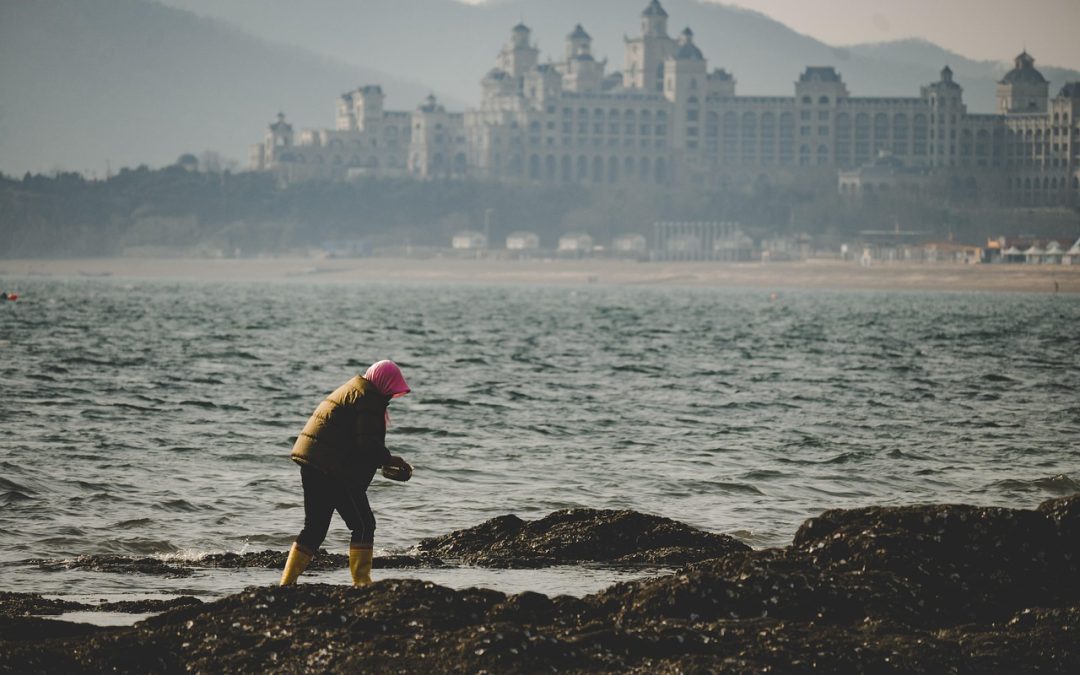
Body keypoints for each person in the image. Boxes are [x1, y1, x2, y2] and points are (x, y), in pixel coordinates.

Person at [280, 360, 412, 587]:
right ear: (383, 384)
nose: (390, 397)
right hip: (332, 469)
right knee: (363, 525)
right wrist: (389, 459)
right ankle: (362, 583)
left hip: (313, 464)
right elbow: (367, 444)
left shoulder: (353, 390)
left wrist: (380, 462)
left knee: (315, 528)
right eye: (390, 391)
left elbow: (351, 439)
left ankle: (286, 585)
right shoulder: (369, 398)